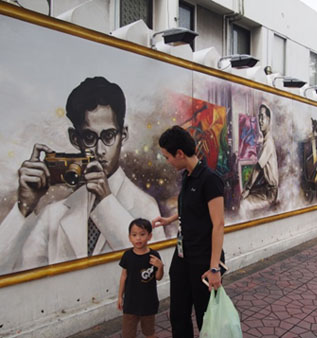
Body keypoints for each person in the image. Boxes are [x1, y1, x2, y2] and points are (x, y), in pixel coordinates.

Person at [0, 76, 163, 274]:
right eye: (89, 137)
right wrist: (24, 207)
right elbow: (12, 271)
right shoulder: (54, 214)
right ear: (74, 139)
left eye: (109, 135)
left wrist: (106, 202)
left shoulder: (145, 206)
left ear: (124, 134)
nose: (99, 150)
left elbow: (152, 270)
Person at [152, 126, 225, 338]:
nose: (167, 161)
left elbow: (218, 224)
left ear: (180, 154)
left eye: (167, 156)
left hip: (203, 260)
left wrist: (214, 268)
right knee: (178, 314)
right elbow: (192, 209)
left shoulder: (210, 180)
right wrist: (170, 219)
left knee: (206, 317)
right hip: (182, 256)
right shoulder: (187, 176)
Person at [118, 218, 164, 338]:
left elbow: (158, 277)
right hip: (130, 303)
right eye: (134, 235)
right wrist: (119, 297)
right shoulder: (127, 256)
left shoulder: (154, 256)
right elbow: (124, 276)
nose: (138, 238)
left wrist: (160, 267)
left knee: (149, 332)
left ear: (149, 236)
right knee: (128, 334)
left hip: (148, 302)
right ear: (129, 237)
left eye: (142, 234)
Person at [241, 104, 279, 210]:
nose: (260, 121)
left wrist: (247, 188)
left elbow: (258, 168)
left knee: (244, 202)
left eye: (262, 117)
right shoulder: (265, 141)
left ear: (269, 119)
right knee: (245, 196)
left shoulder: (268, 143)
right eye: (259, 117)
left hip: (270, 192)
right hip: (266, 188)